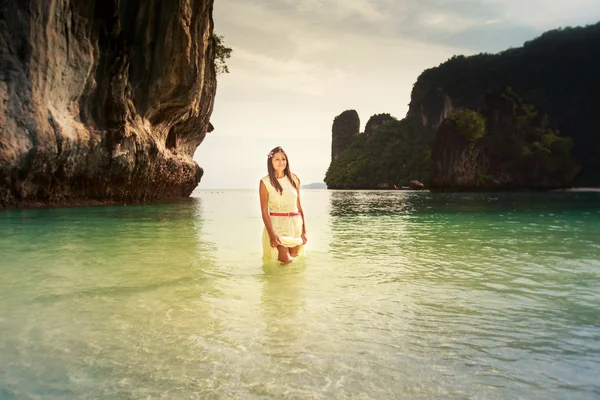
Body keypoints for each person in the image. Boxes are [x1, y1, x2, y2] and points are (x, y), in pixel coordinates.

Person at [259, 146, 307, 264]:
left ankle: (291, 283)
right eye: (277, 159)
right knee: (286, 260)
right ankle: (274, 282)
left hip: (295, 225)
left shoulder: (294, 179)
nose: (281, 162)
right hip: (277, 226)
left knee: (294, 259)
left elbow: (299, 207)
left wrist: (304, 231)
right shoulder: (265, 182)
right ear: (271, 162)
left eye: (283, 159)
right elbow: (264, 211)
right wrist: (271, 235)